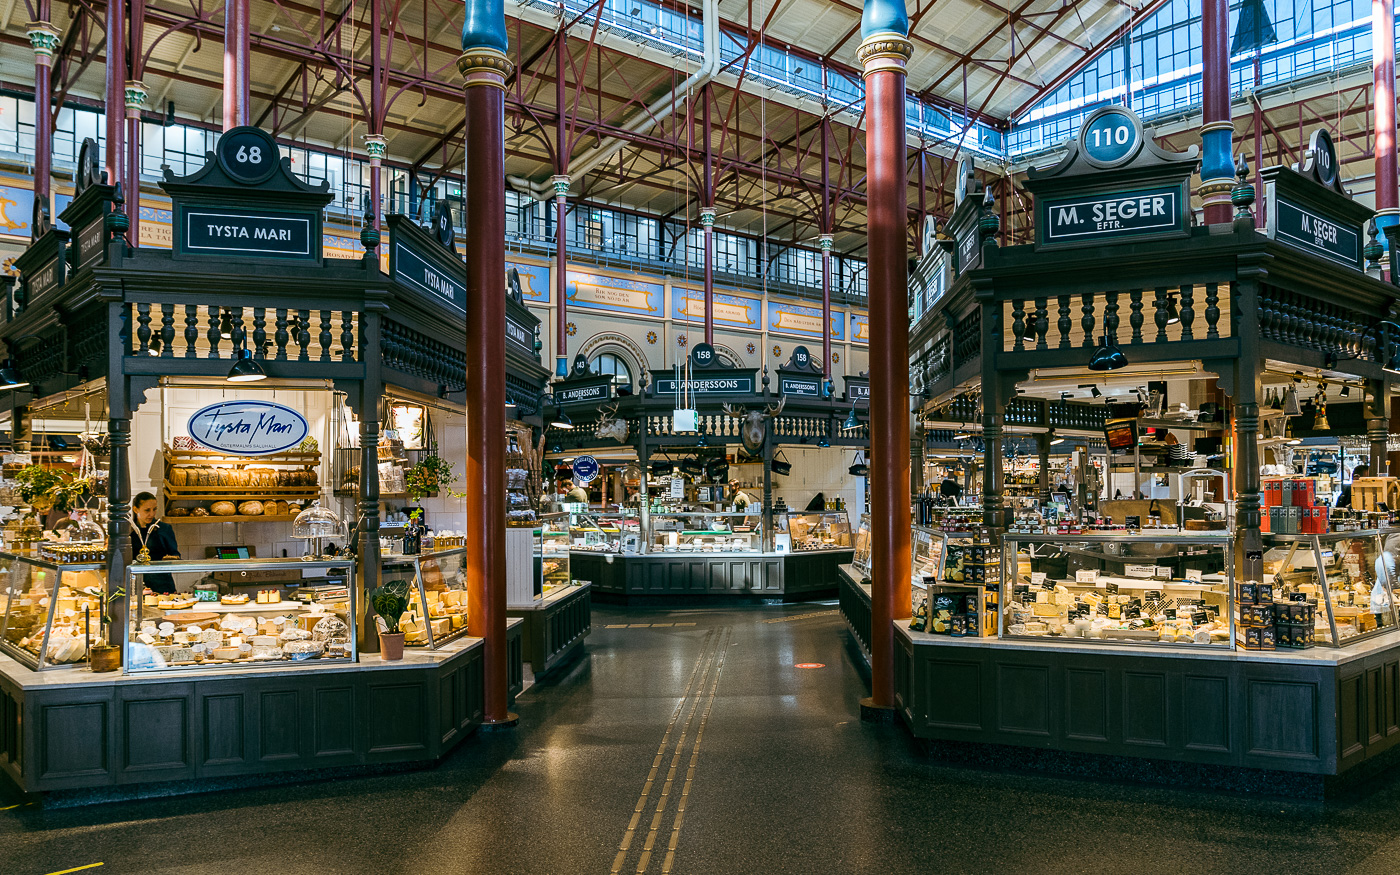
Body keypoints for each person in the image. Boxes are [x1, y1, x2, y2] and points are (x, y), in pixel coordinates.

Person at [131, 492, 180, 594]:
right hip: (136, 585)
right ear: (136, 509)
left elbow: (175, 554)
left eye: (154, 509)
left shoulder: (164, 529)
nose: (152, 514)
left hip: (163, 585)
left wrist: (172, 558)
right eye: (147, 510)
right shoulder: (128, 531)